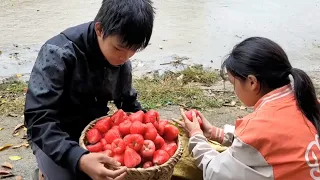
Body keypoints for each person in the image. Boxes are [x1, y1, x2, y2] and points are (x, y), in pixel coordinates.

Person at [24, 0, 155, 179]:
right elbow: (38, 119)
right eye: (119, 48)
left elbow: (128, 104)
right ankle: (43, 171)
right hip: (54, 134)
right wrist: (79, 159)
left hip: (94, 132)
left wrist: (152, 128)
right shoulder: (57, 53)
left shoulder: (121, 59)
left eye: (133, 50)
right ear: (99, 29)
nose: (125, 57)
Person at [176, 37, 320, 180]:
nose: (234, 90)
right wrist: (216, 133)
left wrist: (196, 136)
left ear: (252, 82)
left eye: (234, 83)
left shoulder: (258, 127)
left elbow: (215, 172)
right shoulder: (308, 103)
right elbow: (272, 143)